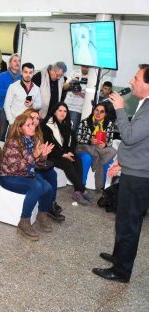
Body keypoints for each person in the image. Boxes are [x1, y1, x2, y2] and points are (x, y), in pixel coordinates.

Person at [92, 64, 149, 283]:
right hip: (133, 171)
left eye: (136, 78)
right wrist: (123, 164)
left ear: (146, 83)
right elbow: (142, 145)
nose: (131, 82)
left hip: (139, 179)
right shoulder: (144, 104)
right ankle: (119, 258)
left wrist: (119, 109)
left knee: (129, 224)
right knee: (122, 220)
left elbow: (129, 136)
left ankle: (121, 271)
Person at [0, 113, 55, 241]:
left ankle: (41, 214)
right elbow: (14, 168)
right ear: (20, 128)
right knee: (37, 186)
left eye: (33, 124)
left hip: (26, 175)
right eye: (28, 125)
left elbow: (38, 166)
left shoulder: (33, 140)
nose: (32, 127)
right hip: (9, 177)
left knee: (48, 187)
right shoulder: (13, 142)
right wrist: (35, 155)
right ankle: (24, 221)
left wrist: (43, 156)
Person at [42, 103, 92, 205]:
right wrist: (62, 154)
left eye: (65, 111)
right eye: (60, 110)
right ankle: (82, 189)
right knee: (67, 163)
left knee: (77, 160)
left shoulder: (68, 124)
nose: (62, 113)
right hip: (52, 154)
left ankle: (77, 191)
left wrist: (70, 152)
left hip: (65, 153)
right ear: (55, 111)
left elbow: (73, 141)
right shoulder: (47, 125)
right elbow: (47, 143)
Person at [24, 108, 65, 221]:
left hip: (37, 164)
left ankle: (50, 204)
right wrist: (38, 154)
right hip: (27, 167)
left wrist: (44, 155)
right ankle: (46, 206)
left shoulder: (38, 132)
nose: (36, 121)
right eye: (32, 118)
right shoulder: (22, 132)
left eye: (37, 118)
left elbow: (41, 157)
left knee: (52, 174)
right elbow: (25, 157)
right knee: (42, 179)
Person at [76, 103, 117, 191]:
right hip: (85, 148)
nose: (98, 113)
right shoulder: (85, 122)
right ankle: (81, 187)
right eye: (96, 110)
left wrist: (104, 145)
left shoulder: (109, 124)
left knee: (109, 161)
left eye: (102, 112)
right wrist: (89, 141)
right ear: (93, 111)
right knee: (87, 158)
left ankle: (104, 189)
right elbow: (78, 138)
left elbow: (109, 142)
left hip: (100, 150)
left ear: (105, 114)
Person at [63, 66, 90, 133]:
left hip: (77, 108)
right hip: (66, 104)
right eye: (83, 66)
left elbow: (90, 96)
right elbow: (64, 87)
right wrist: (71, 82)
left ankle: (70, 143)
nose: (84, 69)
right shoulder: (75, 72)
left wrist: (79, 93)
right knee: (62, 127)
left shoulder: (92, 77)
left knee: (72, 130)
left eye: (86, 67)